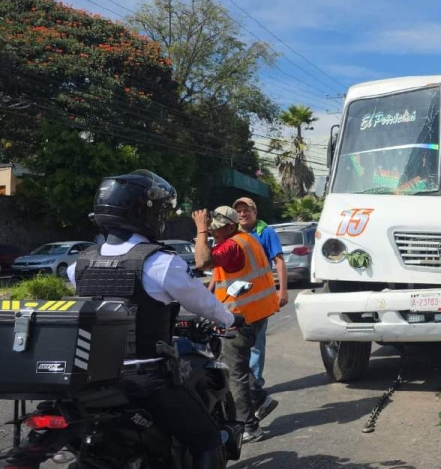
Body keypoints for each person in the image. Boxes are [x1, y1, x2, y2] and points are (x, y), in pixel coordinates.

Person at [68, 170, 239, 469]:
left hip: (94, 381)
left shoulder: (79, 264)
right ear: (139, 212)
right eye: (158, 209)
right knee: (206, 439)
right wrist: (228, 318)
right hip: (145, 380)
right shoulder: (158, 262)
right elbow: (203, 302)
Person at [193, 206, 280, 442]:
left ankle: (249, 427)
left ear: (230, 227)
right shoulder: (246, 240)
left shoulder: (232, 245)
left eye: (216, 230)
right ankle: (261, 400)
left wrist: (200, 230)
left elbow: (202, 261)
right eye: (211, 231)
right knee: (236, 363)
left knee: (234, 373)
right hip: (256, 312)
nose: (213, 235)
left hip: (240, 316)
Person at [233, 197, 286, 421]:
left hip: (260, 300)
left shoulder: (266, 232)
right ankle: (253, 389)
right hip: (238, 300)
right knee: (238, 346)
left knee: (255, 346)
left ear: (255, 212)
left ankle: (255, 390)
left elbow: (280, 261)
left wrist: (282, 290)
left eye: (247, 210)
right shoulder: (232, 233)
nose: (243, 214)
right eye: (240, 211)